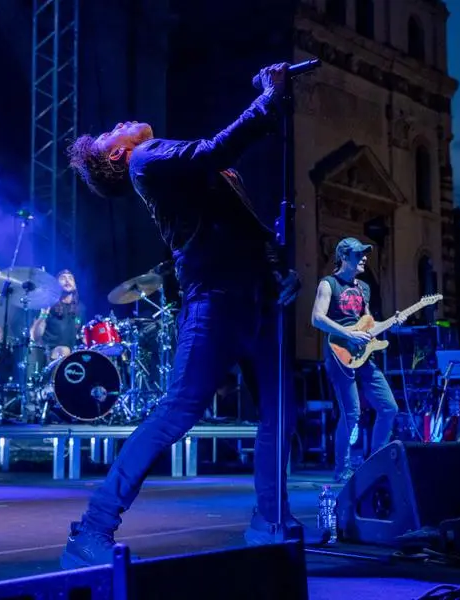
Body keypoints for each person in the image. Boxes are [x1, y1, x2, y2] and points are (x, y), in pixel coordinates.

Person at [61, 62, 315, 569]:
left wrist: (278, 267)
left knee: (279, 415)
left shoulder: (170, 161)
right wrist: (267, 99)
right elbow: (212, 151)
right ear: (117, 152)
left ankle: (270, 522)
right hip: (216, 300)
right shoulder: (147, 161)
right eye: (115, 129)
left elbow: (247, 223)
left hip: (255, 299)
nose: (125, 120)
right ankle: (91, 529)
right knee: (177, 412)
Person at [310, 238, 399, 482]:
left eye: (364, 254)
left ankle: (375, 463)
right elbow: (317, 318)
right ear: (344, 257)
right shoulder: (328, 284)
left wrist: (392, 321)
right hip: (339, 353)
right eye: (359, 254)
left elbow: (369, 326)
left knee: (389, 407)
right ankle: (342, 469)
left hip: (363, 354)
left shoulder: (364, 288)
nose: (364, 258)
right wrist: (348, 333)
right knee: (352, 413)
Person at [28, 269, 84, 361]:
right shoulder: (47, 305)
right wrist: (43, 315)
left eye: (70, 278)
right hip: (49, 354)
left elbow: (81, 334)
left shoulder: (80, 308)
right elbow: (35, 336)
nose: (67, 280)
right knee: (63, 350)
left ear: (75, 285)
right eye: (63, 278)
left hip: (73, 355)